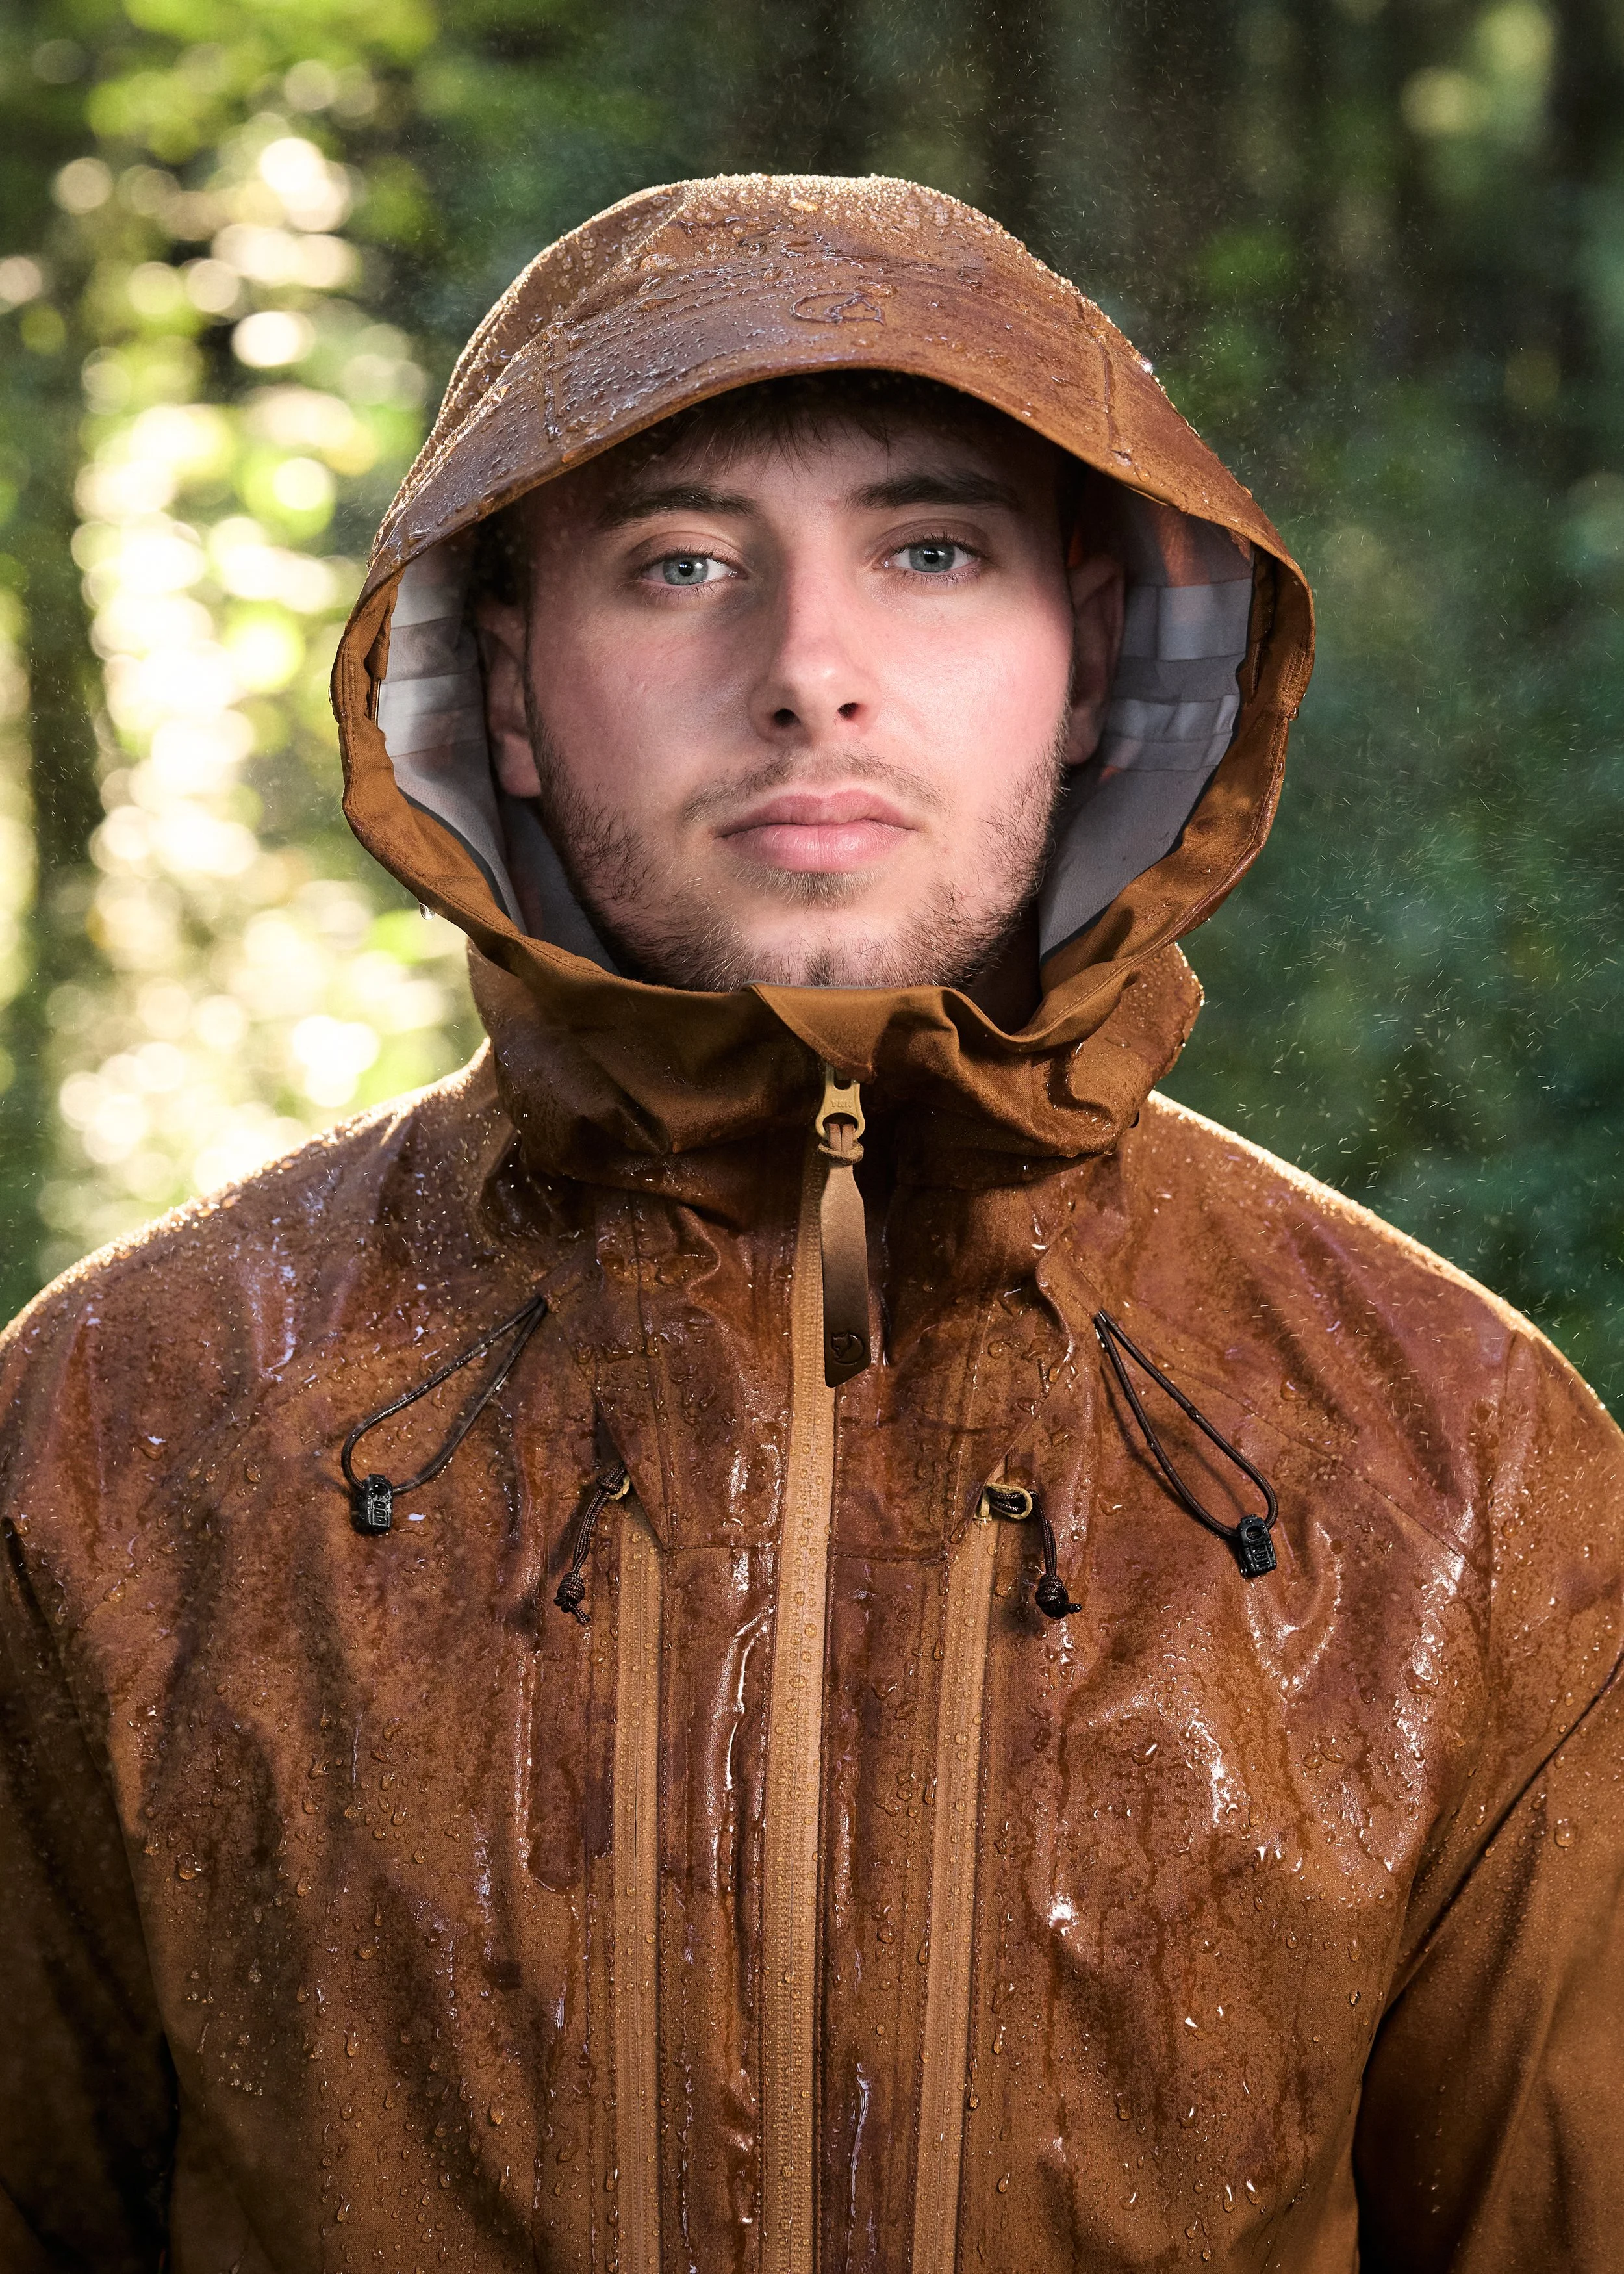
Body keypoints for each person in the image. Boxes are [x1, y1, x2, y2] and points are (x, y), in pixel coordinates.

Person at [1, 172, 1619, 2274]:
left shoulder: (1457, 1467)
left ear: (1094, 649)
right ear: (498, 679)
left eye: (928, 551)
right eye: (679, 564)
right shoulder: (120, 1433)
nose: (809, 674)